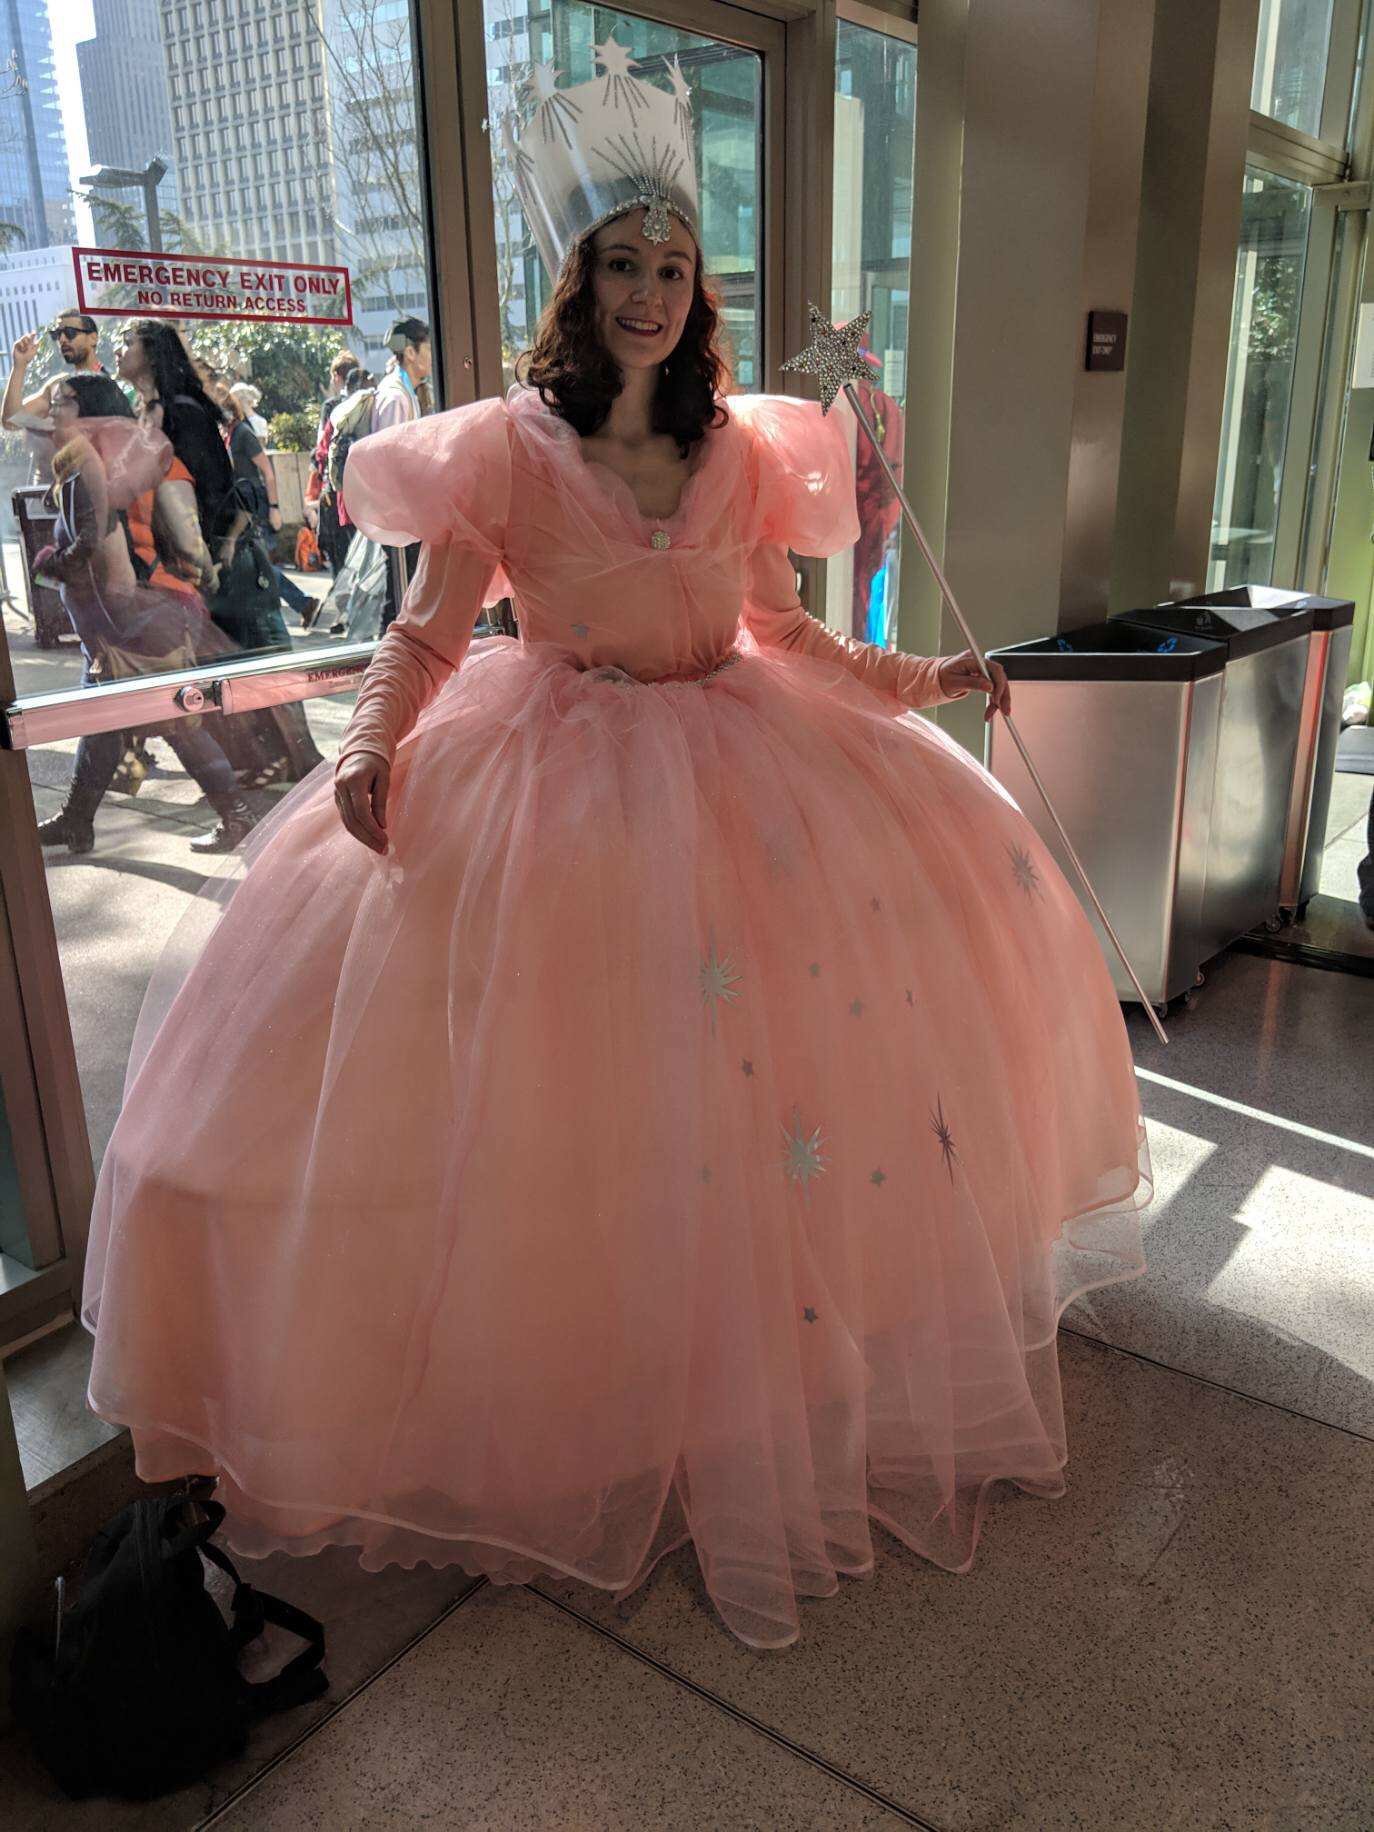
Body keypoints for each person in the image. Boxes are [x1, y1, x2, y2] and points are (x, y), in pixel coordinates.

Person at [82, 48, 1150, 1653]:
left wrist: (925, 679)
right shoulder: (506, 451)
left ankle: (759, 1377)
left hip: (738, 778)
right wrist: (370, 744)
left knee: (760, 1109)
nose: (649, 293)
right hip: (551, 788)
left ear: (694, 290)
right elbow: (425, 637)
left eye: (671, 266)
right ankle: (599, 1405)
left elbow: (783, 635)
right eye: (621, 266)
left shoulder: (741, 450)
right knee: (577, 1121)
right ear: (577, 286)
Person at [29, 373, 257, 855]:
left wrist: (49, 566)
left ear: (89, 410)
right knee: (106, 720)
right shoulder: (115, 457)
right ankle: (77, 820)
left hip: (129, 624)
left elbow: (101, 557)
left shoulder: (91, 466)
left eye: (62, 402)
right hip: (131, 621)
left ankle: (236, 815)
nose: (51, 412)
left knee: (176, 722)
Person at [114, 319, 327, 793]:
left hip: (224, 563)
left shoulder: (181, 413)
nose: (118, 349)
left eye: (127, 341)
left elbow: (212, 492)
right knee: (237, 671)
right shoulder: (152, 411)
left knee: (262, 665)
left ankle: (291, 765)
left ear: (152, 352)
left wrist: (213, 554)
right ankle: (275, 763)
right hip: (198, 567)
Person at [218, 380, 316, 625]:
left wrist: (274, 508)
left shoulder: (243, 433)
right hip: (242, 503)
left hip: (254, 506)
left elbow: (268, 472)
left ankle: (300, 604)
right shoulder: (230, 434)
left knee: (258, 562)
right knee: (257, 561)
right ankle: (303, 604)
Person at [370, 318, 431, 635]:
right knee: (400, 598)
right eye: (428, 349)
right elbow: (390, 460)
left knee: (404, 595)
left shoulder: (406, 391)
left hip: (406, 515)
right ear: (410, 352)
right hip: (400, 518)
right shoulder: (395, 396)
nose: (432, 357)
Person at [2, 311, 108, 434]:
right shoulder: (58, 387)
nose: (62, 339)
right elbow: (11, 421)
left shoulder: (115, 381)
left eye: (70, 332)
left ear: (93, 338)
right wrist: (19, 365)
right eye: (58, 334)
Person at [309, 351, 360, 575]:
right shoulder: (369, 400)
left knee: (340, 555)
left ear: (337, 376)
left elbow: (322, 447)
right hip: (364, 487)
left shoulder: (332, 406)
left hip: (337, 488)